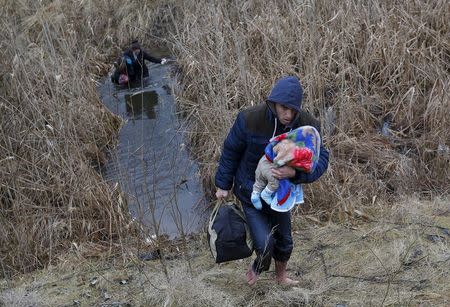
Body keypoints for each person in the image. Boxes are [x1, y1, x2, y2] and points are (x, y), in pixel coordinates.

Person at [214, 76, 329, 286]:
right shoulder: (249, 119)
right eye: (284, 108)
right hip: (250, 190)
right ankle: (258, 265)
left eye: (293, 109)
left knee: (285, 241)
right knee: (265, 244)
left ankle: (281, 278)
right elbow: (230, 151)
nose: (288, 114)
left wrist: (295, 175)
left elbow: (321, 159)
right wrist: (223, 184)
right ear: (273, 103)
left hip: (282, 194)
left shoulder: (308, 126)